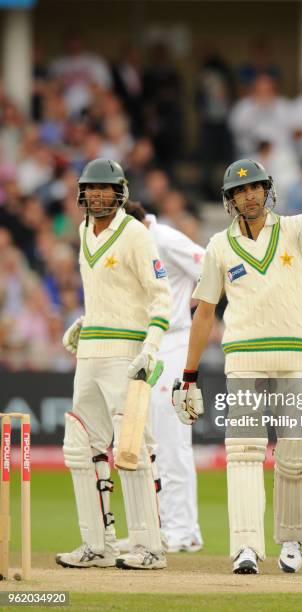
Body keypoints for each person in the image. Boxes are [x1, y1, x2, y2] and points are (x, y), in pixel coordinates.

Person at [172, 130, 302, 574]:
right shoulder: (218, 246)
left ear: (267, 191)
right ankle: (246, 548)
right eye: (240, 190)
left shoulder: (292, 229)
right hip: (244, 359)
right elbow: (205, 313)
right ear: (230, 199)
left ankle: (291, 542)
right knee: (244, 452)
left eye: (255, 188)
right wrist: (189, 374)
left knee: (296, 452)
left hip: (295, 357)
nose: (249, 196)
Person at [55, 158, 171, 570]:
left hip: (126, 354)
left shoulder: (135, 234)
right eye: (91, 189)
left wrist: (151, 348)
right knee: (79, 448)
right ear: (82, 194)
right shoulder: (85, 231)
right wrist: (87, 322)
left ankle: (149, 548)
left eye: (106, 188)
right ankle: (97, 545)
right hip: (90, 355)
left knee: (131, 448)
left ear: (120, 192)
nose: (98, 195)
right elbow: (112, 294)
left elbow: (160, 296)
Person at [123, 201, 205, 553]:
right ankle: (157, 527)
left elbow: (210, 268)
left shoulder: (166, 239)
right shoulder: (133, 241)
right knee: (148, 440)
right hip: (147, 345)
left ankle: (184, 530)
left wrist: (190, 309)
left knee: (172, 437)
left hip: (173, 341)